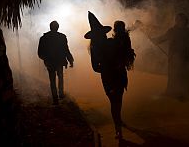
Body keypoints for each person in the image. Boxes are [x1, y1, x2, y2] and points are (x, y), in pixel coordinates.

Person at [84, 11, 135, 139]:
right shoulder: (100, 47)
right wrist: (109, 68)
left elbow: (124, 48)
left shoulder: (110, 43)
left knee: (116, 100)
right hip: (111, 76)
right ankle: (118, 126)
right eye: (99, 34)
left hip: (113, 76)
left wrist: (111, 67)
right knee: (115, 101)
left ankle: (118, 122)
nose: (101, 36)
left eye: (101, 33)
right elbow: (96, 67)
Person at [151, 13, 189, 100]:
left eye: (181, 20)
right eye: (178, 20)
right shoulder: (172, 31)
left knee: (185, 76)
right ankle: (171, 92)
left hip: (185, 59)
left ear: (185, 21)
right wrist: (155, 40)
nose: (179, 21)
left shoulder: (188, 32)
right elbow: (163, 38)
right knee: (173, 75)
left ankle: (184, 94)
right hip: (173, 58)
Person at [38, 20, 74, 105]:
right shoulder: (62, 37)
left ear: (50, 27)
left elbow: (40, 52)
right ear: (58, 27)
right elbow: (66, 50)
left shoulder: (44, 38)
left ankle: (55, 98)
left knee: (52, 80)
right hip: (59, 62)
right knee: (60, 78)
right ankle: (60, 95)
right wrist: (70, 60)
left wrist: (46, 60)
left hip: (51, 62)